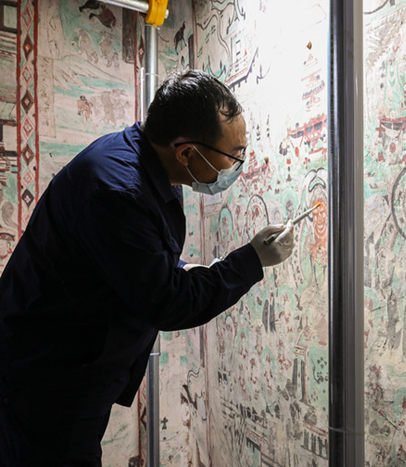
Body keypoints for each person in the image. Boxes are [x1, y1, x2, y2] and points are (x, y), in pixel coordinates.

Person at [0, 69, 295, 466]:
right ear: (186, 153)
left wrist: (183, 268)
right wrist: (251, 261)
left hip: (65, 364)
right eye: (234, 154)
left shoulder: (147, 163)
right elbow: (167, 303)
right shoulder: (117, 192)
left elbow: (136, 257)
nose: (238, 164)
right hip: (46, 377)